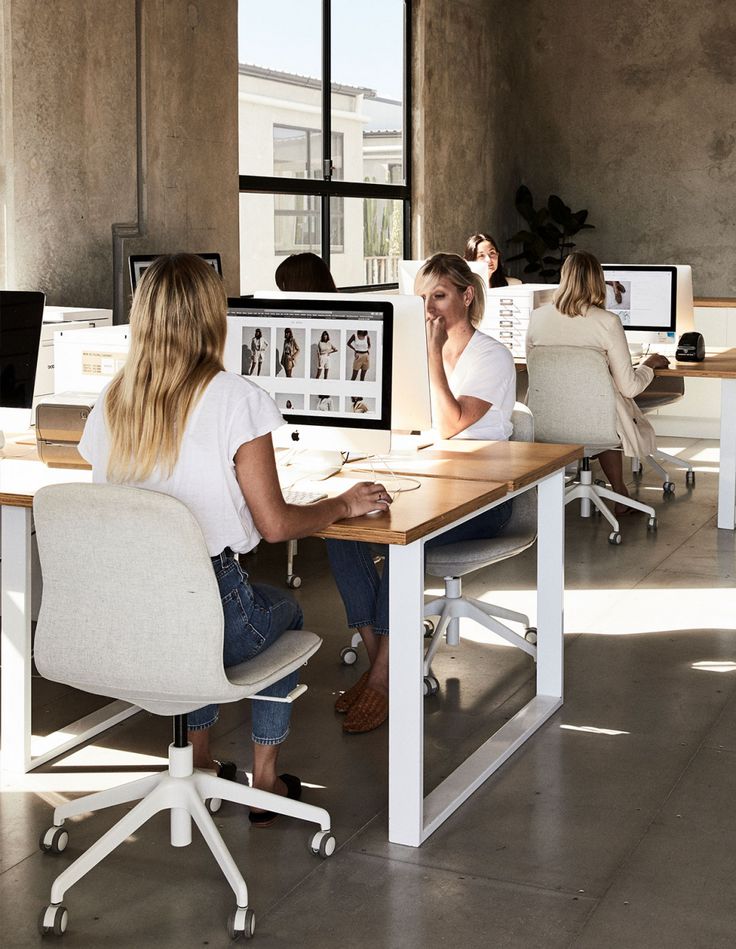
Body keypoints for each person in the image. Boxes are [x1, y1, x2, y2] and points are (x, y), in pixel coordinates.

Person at [78, 254, 389, 824]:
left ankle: (198, 761)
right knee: (287, 615)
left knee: (189, 631)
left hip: (127, 614)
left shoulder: (111, 401)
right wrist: (342, 503)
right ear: (211, 316)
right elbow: (275, 526)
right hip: (206, 601)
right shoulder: (233, 398)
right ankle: (266, 780)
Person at [326, 253, 516, 734]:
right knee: (336, 528)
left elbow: (450, 425)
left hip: (483, 493)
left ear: (466, 296)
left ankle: (385, 678)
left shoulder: (488, 356)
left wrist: (431, 353)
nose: (428, 308)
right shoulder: (412, 351)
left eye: (439, 296)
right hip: (427, 474)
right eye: (422, 298)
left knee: (397, 540)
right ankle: (382, 667)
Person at [526, 250, 669, 513]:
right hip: (597, 424)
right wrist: (648, 365)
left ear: (564, 278)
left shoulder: (537, 317)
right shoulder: (607, 322)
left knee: (597, 406)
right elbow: (629, 387)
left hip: (547, 422)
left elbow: (536, 371)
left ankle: (618, 493)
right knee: (603, 410)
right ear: (597, 281)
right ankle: (620, 495)